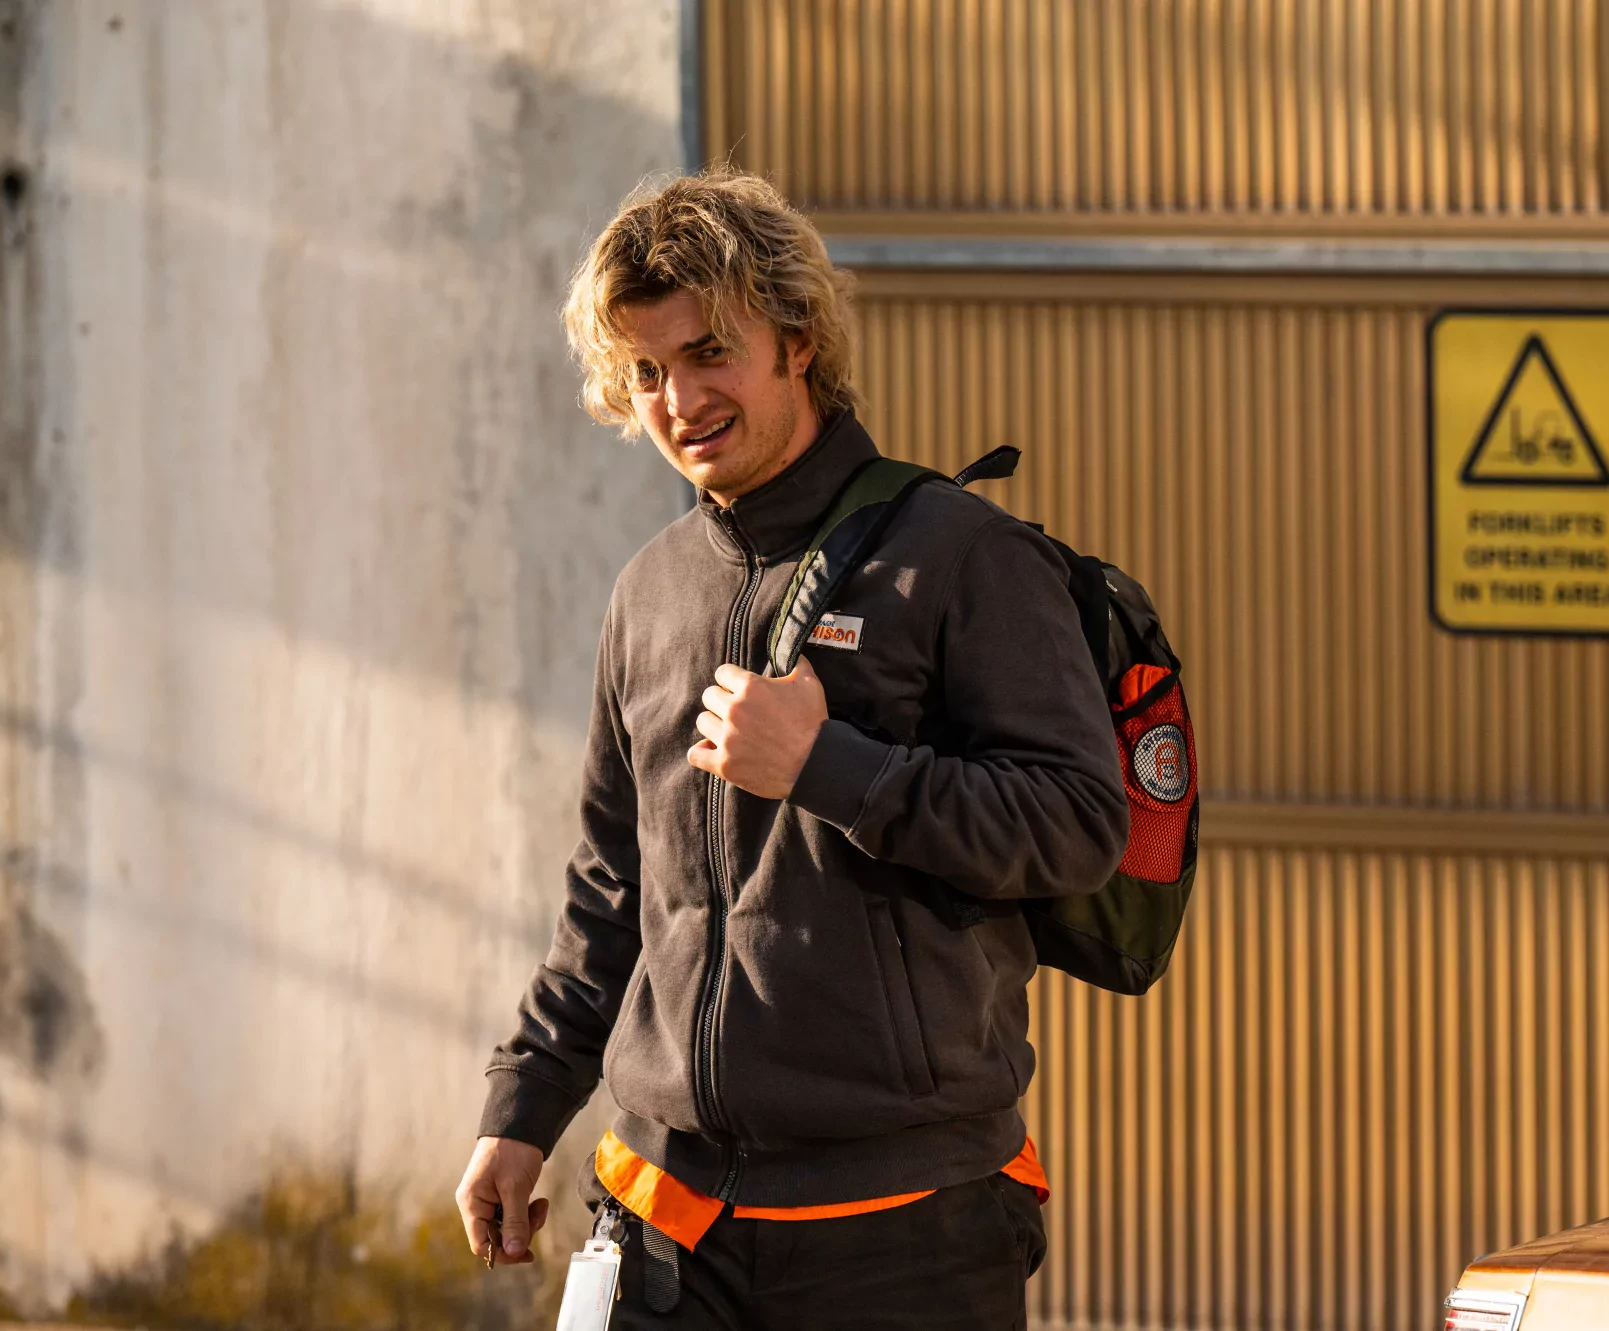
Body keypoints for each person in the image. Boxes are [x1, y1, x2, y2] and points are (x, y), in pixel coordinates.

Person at [453, 167, 1130, 1329]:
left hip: (903, 1225)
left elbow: (1075, 824)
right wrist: (522, 1104)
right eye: (646, 372)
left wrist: (829, 766)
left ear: (797, 338)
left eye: (709, 351)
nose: (679, 399)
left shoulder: (958, 555)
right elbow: (612, 888)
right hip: (663, 1214)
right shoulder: (650, 590)